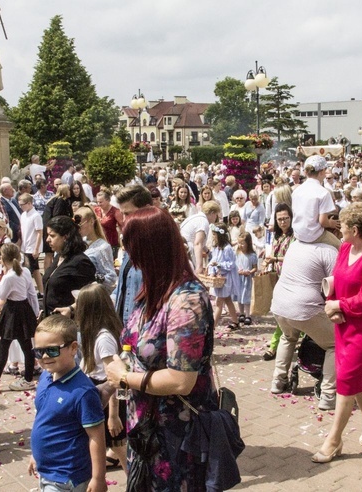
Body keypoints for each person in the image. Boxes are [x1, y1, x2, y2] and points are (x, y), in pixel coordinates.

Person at [104, 206, 217, 490]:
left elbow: (181, 380)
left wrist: (124, 377)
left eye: (132, 249)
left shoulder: (186, 300)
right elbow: (133, 343)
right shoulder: (154, 289)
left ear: (150, 250)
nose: (129, 258)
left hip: (176, 436)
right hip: (145, 428)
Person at [313, 202, 362, 463]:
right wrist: (331, 302)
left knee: (346, 378)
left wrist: (339, 305)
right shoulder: (345, 247)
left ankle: (334, 440)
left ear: (355, 229)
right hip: (343, 322)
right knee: (356, 377)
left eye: (342, 226)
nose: (338, 229)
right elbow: (336, 277)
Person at [28, 315, 106, 492]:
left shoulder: (82, 392)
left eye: (52, 350)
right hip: (47, 471)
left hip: (67, 477)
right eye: (39, 352)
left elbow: (96, 436)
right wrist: (36, 455)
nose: (45, 356)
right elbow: (45, 418)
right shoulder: (45, 376)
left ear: (73, 348)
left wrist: (98, 478)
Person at [270, 231, 337, 410]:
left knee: (287, 336)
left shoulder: (294, 245)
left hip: (280, 302)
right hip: (305, 306)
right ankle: (328, 395)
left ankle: (278, 381)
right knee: (335, 344)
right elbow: (336, 284)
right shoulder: (328, 251)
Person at [74, 283, 127, 472]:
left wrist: (113, 415)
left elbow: (112, 378)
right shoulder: (94, 333)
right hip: (94, 390)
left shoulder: (103, 339)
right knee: (114, 446)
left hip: (106, 397)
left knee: (119, 447)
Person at [0, 243, 39, 392]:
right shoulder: (25, 271)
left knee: (8, 345)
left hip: (13, 310)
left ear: (3, 259)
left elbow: (1, 296)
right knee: (24, 345)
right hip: (24, 309)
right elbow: (31, 293)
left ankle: (3, 379)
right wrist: (35, 312)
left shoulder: (8, 277)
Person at [113, 185, 152, 325]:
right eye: (123, 214)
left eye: (129, 214)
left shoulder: (158, 249)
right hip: (124, 330)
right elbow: (123, 288)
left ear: (147, 210)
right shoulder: (130, 244)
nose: (124, 220)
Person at [43, 215, 96, 318]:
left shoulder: (80, 262)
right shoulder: (59, 257)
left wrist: (71, 309)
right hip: (51, 322)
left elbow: (92, 295)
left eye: (52, 236)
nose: (47, 240)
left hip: (69, 324)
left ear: (65, 237)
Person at [262, 203, 295, 361]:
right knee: (282, 315)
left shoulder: (295, 235)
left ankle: (274, 346)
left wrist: (275, 258)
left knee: (283, 316)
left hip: (291, 279)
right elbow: (272, 253)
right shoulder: (276, 236)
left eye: (285, 218)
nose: (283, 222)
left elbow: (293, 257)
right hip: (278, 278)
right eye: (279, 219)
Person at [292, 155, 341, 249]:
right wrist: (331, 223)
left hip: (298, 235)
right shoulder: (323, 192)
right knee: (342, 248)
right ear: (322, 171)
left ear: (306, 172)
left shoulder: (297, 190)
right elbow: (323, 222)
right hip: (314, 236)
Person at [75, 206, 118, 294]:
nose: (78, 228)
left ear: (91, 221)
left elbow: (111, 277)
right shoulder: (80, 243)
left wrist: (93, 279)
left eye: (80, 225)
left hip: (93, 295)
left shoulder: (102, 247)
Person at [208, 222, 241, 330]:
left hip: (225, 279)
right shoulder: (216, 248)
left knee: (218, 302)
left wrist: (219, 265)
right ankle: (235, 322)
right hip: (219, 278)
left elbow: (231, 264)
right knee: (227, 300)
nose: (213, 237)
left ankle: (212, 327)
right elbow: (213, 260)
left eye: (214, 234)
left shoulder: (227, 248)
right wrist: (212, 270)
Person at [180, 200, 222, 275]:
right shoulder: (203, 222)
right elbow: (197, 243)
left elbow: (200, 242)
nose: (216, 218)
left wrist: (208, 252)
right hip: (187, 250)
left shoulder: (196, 217)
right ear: (212, 213)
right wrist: (199, 266)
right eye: (216, 215)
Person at [18, 193, 44, 296]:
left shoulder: (36, 215)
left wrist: (36, 248)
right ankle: (39, 290)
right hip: (25, 246)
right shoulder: (23, 215)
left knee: (32, 269)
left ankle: (40, 290)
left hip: (32, 246)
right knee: (33, 269)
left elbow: (39, 232)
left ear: (29, 203)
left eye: (22, 204)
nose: (21, 207)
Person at [42, 184, 73, 270]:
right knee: (49, 254)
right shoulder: (60, 201)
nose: (70, 192)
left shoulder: (54, 199)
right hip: (52, 229)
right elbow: (57, 216)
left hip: (48, 228)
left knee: (49, 254)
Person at [234, 232, 258, 324]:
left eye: (243, 243)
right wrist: (238, 272)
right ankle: (241, 313)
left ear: (248, 243)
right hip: (238, 278)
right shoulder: (237, 254)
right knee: (239, 296)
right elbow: (234, 266)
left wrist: (249, 272)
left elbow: (255, 268)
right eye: (239, 243)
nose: (240, 245)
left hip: (247, 279)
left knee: (246, 296)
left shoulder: (252, 255)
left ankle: (248, 315)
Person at [93, 187, 123, 258]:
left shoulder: (116, 211)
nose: (98, 204)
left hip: (111, 243)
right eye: (97, 202)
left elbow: (122, 227)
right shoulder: (96, 210)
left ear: (108, 200)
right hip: (98, 242)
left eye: (101, 202)